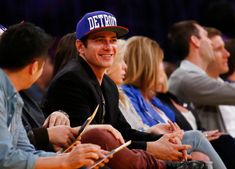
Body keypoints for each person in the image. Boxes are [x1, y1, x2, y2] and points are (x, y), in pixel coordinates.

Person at [42, 10, 203, 168]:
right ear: (80, 46)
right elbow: (92, 140)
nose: (108, 47)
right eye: (99, 40)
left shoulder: (108, 84)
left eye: (112, 40)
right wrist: (151, 148)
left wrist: (159, 139)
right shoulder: (71, 80)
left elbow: (124, 131)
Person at [0, 22, 111, 169]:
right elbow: (5, 160)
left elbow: (26, 151)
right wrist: (64, 161)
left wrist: (70, 158)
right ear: (34, 67)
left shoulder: (13, 95)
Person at [116, 36, 225, 169]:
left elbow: (168, 126)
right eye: (160, 61)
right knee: (197, 140)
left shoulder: (156, 99)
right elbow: (131, 132)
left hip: (157, 143)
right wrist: (156, 132)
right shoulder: (127, 94)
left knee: (214, 144)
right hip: (148, 149)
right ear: (148, 65)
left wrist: (174, 132)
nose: (162, 67)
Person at [168, 20, 235, 133]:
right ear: (195, 41)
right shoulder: (185, 78)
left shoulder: (188, 76)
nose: (210, 43)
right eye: (206, 36)